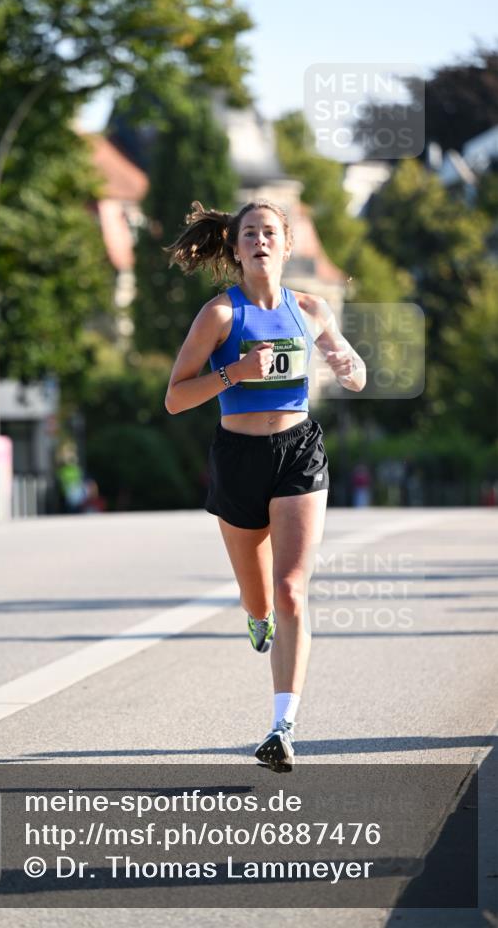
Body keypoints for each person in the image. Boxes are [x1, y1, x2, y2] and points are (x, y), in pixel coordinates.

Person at [164, 200, 366, 771]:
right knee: (261, 601)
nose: (259, 241)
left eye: (269, 232)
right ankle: (258, 619)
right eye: (249, 233)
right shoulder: (219, 316)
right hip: (238, 458)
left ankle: (282, 727)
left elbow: (353, 369)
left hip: (298, 451)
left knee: (292, 590)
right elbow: (175, 398)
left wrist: (349, 368)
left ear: (287, 244)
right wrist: (234, 373)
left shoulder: (311, 309)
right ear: (235, 247)